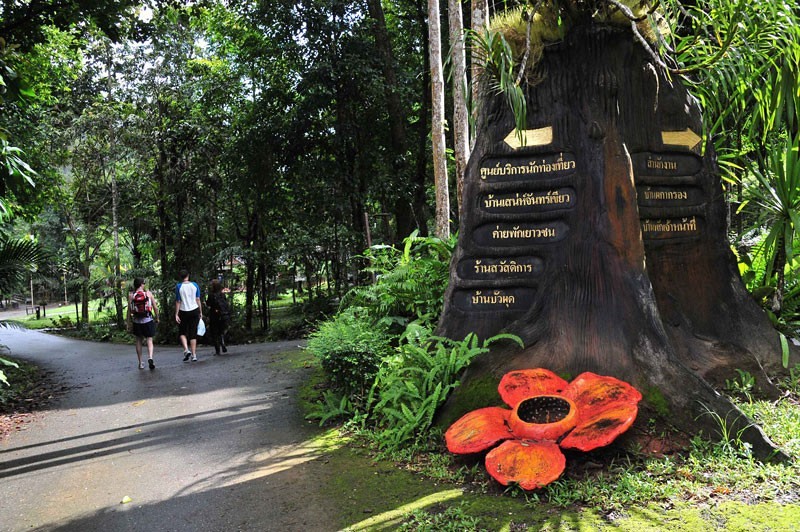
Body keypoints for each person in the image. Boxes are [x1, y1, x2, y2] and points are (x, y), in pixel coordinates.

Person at [129, 278, 159, 370]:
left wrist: (128, 322)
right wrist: (157, 318)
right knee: (149, 339)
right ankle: (150, 357)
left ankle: (140, 363)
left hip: (136, 321)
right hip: (147, 320)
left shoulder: (131, 295)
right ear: (142, 284)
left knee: (138, 340)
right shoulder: (148, 294)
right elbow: (155, 307)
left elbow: (129, 310)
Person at [175, 270, 202, 362]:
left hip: (183, 311)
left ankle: (186, 350)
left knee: (182, 332)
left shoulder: (179, 286)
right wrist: (200, 311)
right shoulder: (195, 285)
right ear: (188, 275)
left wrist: (176, 314)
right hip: (194, 310)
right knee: (193, 333)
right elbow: (198, 299)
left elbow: (178, 301)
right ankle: (194, 355)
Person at [206, 279, 230, 356]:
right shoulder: (222, 294)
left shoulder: (211, 295)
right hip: (223, 315)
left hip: (214, 316)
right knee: (221, 331)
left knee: (214, 333)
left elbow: (209, 304)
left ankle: (217, 350)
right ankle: (222, 342)